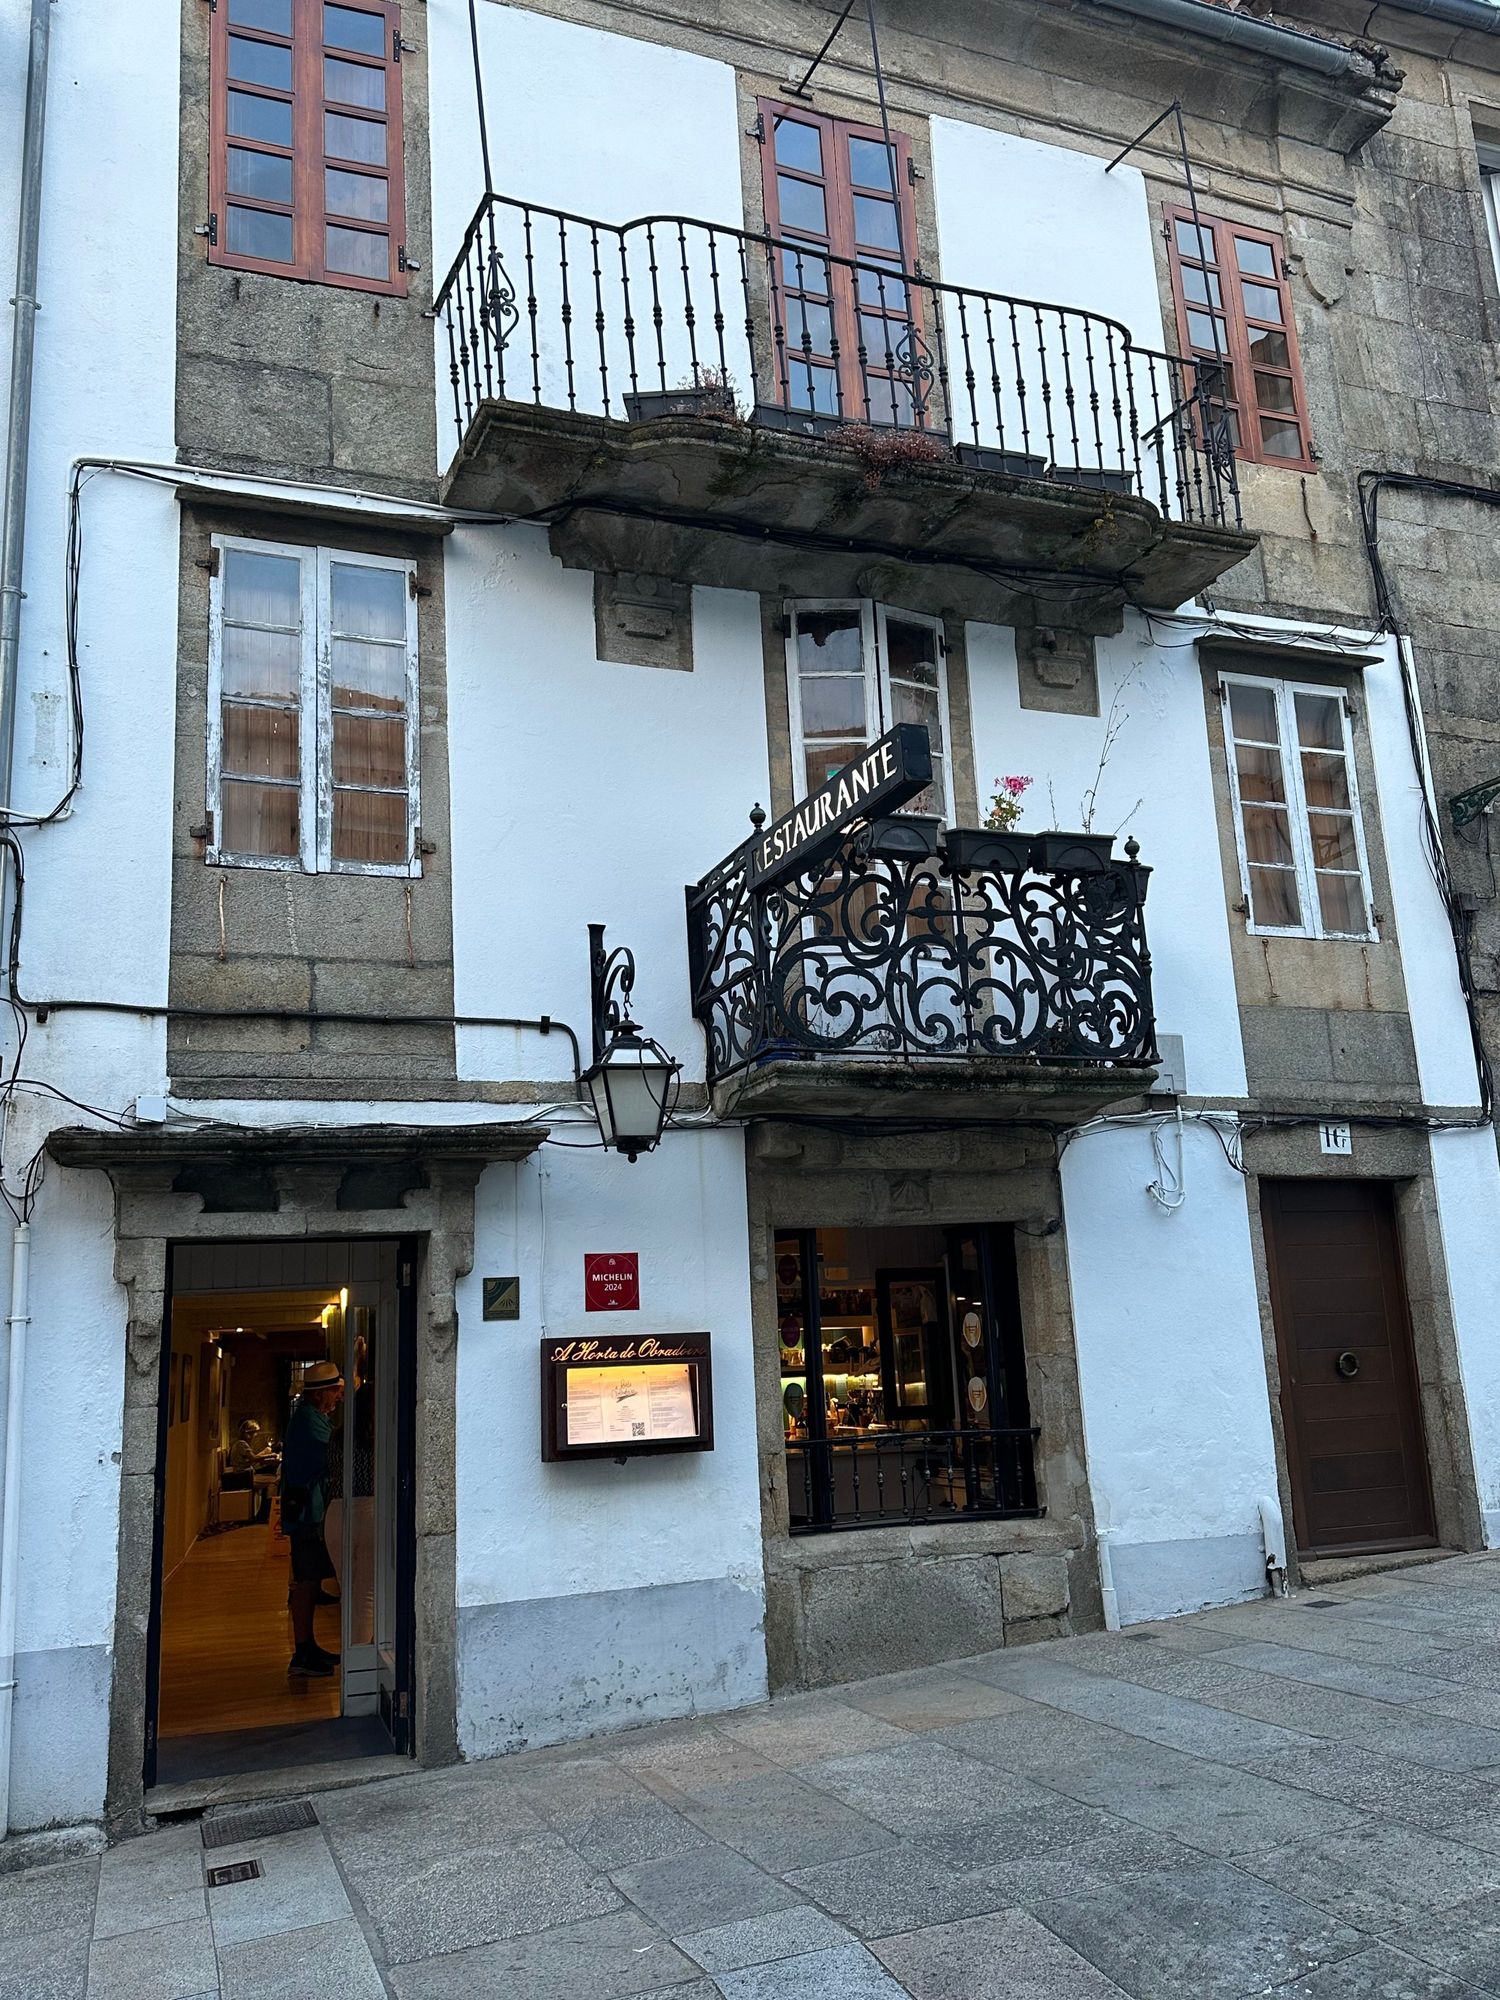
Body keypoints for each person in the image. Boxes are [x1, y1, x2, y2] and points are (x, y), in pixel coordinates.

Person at [279, 1360, 343, 1679]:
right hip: (307, 1511)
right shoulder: (309, 1421)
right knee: (305, 1582)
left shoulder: (310, 1417)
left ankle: (308, 1646)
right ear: (320, 1394)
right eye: (334, 1391)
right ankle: (302, 1651)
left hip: (308, 1509)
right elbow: (333, 1453)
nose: (338, 1397)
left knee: (310, 1579)